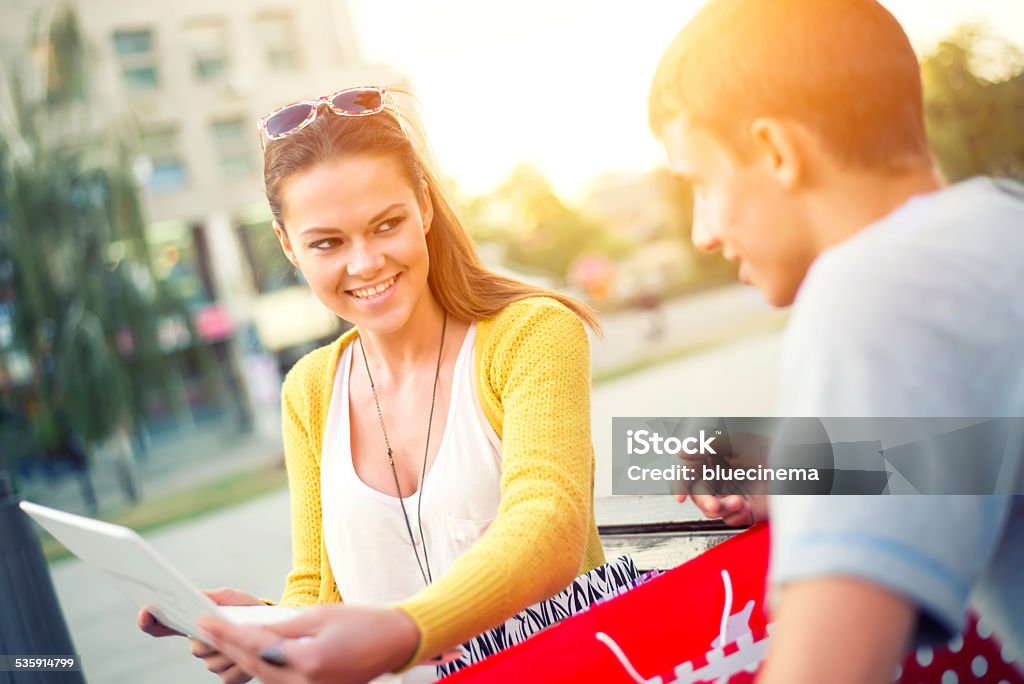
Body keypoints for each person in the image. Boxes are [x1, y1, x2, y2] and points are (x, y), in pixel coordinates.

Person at [139, 86, 606, 683]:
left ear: (426, 209)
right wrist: (267, 627)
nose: (365, 264)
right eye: (327, 242)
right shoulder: (309, 390)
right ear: (289, 246)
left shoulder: (529, 334)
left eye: (386, 225)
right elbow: (316, 587)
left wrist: (404, 633)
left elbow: (550, 521)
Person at [647, 0, 1024, 682]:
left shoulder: (871, 283)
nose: (702, 231)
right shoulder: (998, 225)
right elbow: (986, 461)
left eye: (699, 183)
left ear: (776, 152)